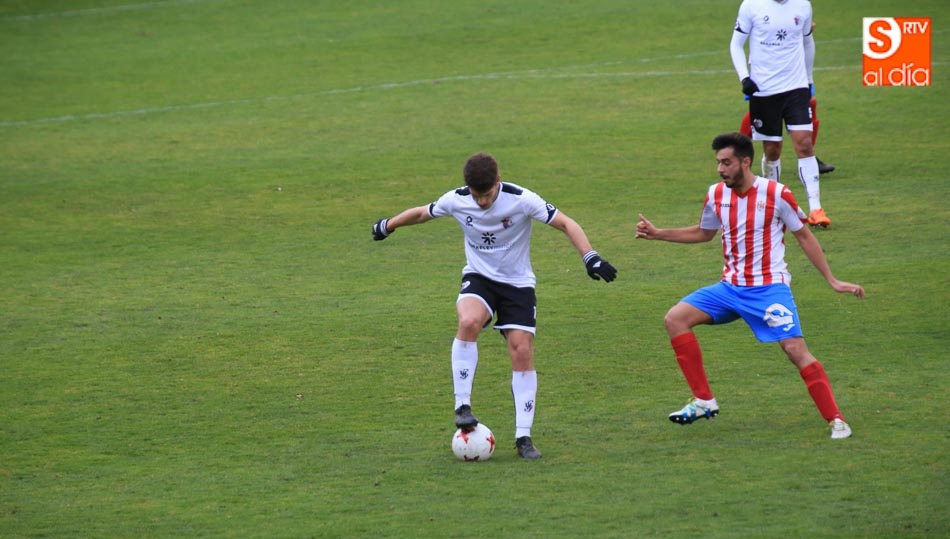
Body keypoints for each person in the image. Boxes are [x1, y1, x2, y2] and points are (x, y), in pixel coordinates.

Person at [372, 152, 617, 459]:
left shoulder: (522, 199)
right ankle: (462, 406)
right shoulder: (457, 199)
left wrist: (590, 256)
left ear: (498, 182)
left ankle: (523, 438)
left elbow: (566, 223)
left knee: (522, 350)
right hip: (479, 278)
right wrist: (388, 225)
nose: (482, 203)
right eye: (477, 196)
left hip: (518, 285)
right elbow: (423, 213)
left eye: (487, 196)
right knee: (469, 322)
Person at [635, 132, 865, 439]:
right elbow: (704, 233)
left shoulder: (777, 194)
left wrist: (832, 280)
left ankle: (837, 419)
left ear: (745, 162)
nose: (720, 169)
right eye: (718, 162)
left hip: (769, 290)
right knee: (675, 319)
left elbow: (805, 236)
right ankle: (704, 400)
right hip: (729, 289)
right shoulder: (716, 194)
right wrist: (658, 233)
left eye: (726, 162)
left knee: (796, 350)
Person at [730, 0, 831, 227]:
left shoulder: (802, 5)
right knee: (772, 149)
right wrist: (744, 78)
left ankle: (816, 208)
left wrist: (809, 80)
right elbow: (736, 45)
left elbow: (807, 42)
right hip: (764, 90)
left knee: (804, 144)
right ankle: (772, 204)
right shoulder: (751, 5)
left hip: (796, 87)